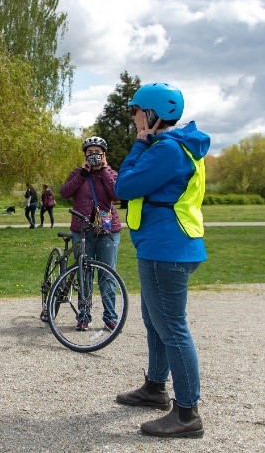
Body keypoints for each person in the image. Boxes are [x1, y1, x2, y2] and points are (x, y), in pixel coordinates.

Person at [114, 82, 210, 438]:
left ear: (152, 114)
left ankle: (187, 414)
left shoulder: (166, 150)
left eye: (137, 111)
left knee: (172, 328)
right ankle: (155, 388)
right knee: (157, 323)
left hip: (167, 249)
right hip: (162, 246)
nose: (134, 117)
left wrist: (139, 142)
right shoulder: (170, 147)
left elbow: (123, 186)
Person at [58, 136, 122, 330]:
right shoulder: (78, 173)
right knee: (84, 274)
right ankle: (84, 315)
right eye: (90, 152)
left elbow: (117, 195)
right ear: (85, 155)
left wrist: (103, 171)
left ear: (104, 155)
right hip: (82, 230)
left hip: (106, 230)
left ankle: (110, 316)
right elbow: (64, 192)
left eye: (97, 152)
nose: (93, 155)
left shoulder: (111, 173)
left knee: (107, 274)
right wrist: (83, 175)